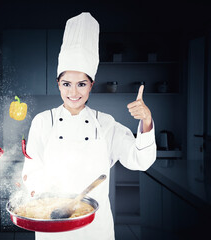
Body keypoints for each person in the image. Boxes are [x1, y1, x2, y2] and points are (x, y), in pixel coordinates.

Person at [21, 12, 156, 240]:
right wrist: (39, 194)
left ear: (91, 85)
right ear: (58, 84)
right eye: (67, 84)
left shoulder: (105, 123)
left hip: (96, 228)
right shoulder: (43, 121)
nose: (74, 92)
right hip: (53, 225)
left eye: (81, 84)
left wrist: (147, 120)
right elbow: (31, 171)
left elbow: (140, 161)